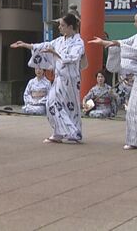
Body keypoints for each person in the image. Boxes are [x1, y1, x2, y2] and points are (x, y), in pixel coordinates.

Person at [90, 9, 137, 150]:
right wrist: (104, 42)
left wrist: (120, 45)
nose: (135, 24)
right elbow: (122, 42)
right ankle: (135, 140)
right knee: (133, 109)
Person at [11, 13, 85, 144]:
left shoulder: (78, 42)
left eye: (62, 25)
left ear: (70, 27)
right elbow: (43, 46)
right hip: (59, 79)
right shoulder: (59, 41)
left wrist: (55, 53)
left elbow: (73, 58)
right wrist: (26, 45)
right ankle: (59, 132)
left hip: (71, 80)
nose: (60, 28)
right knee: (51, 103)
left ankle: (73, 133)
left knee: (70, 107)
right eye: (60, 25)